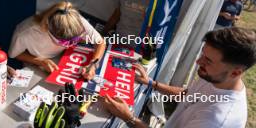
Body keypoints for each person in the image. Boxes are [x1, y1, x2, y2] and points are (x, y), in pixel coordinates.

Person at [103, 27, 256, 128]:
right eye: (203, 54)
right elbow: (188, 94)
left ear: (235, 73)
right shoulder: (216, 76)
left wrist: (128, 118)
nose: (198, 62)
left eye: (208, 60)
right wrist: (151, 83)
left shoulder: (216, 121)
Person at [8, 1, 106, 80]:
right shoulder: (26, 32)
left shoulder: (75, 21)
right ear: (47, 28)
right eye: (63, 42)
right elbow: (15, 54)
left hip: (61, 58)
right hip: (35, 62)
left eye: (74, 40)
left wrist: (93, 64)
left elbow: (100, 42)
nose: (68, 46)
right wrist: (40, 61)